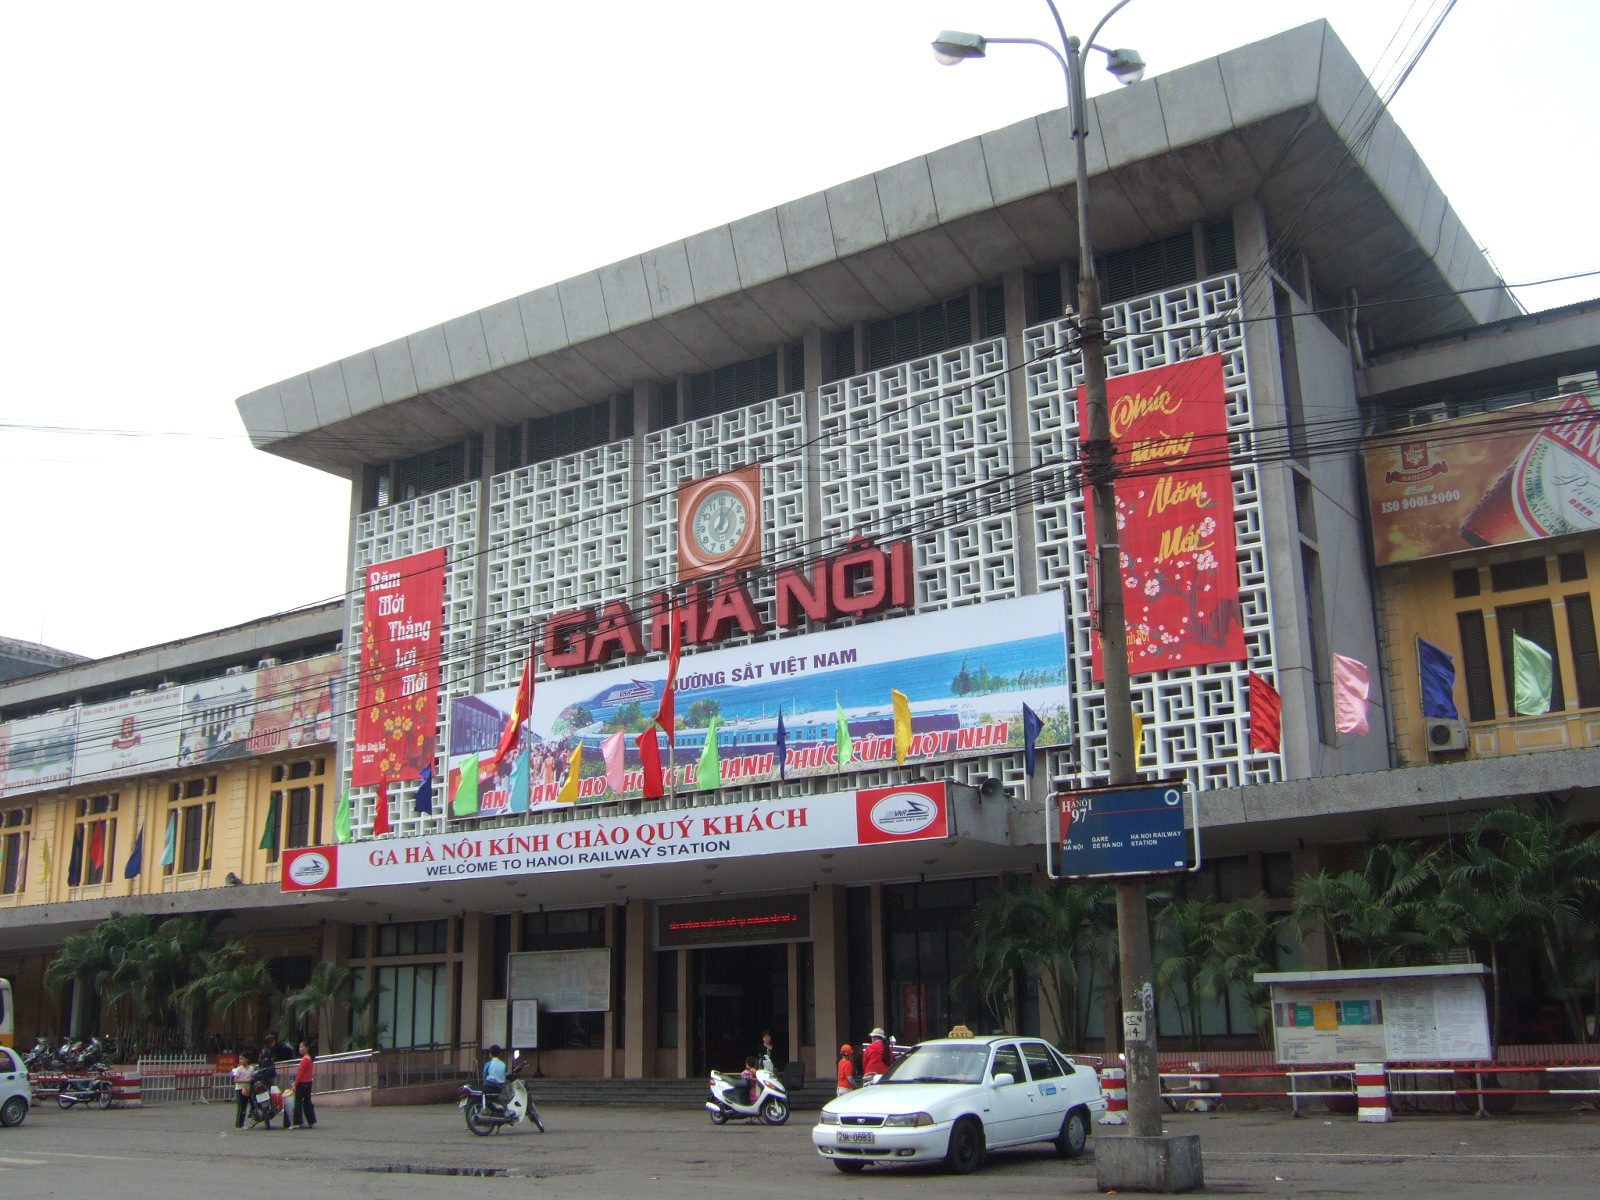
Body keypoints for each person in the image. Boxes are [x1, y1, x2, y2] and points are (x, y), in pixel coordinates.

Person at [290, 1041, 317, 1129]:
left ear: (307, 1048)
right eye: (299, 1047)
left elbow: (300, 1074)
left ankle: (298, 1122)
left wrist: (295, 1085)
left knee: (298, 1103)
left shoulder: (305, 1059)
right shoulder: (309, 1058)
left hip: (302, 1084)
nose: (300, 1049)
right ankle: (311, 1121)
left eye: (302, 1047)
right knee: (307, 1102)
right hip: (308, 1083)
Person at [482, 1045, 508, 1112]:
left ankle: (486, 1109)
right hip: (500, 1086)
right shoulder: (503, 1064)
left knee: (483, 1095)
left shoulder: (488, 1064)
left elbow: (484, 1076)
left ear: (490, 1054)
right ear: (499, 1054)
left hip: (490, 1085)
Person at [231, 1057, 253, 1129]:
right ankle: (238, 1125)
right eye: (240, 1059)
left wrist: (250, 1080)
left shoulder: (251, 1068)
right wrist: (245, 1081)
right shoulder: (238, 1069)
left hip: (248, 1089)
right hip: (240, 1089)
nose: (240, 1061)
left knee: (245, 1107)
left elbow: (253, 1077)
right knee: (241, 1108)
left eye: (242, 1059)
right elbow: (235, 1080)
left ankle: (242, 1124)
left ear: (247, 1059)